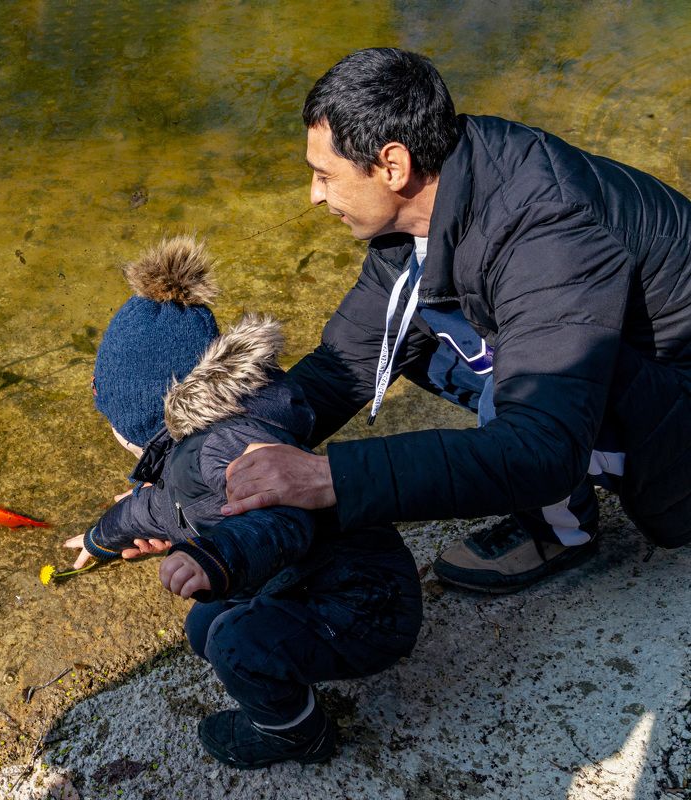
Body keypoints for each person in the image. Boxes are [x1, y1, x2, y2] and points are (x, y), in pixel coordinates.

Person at [221, 47, 691, 594]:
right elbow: (346, 362)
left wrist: (331, 478)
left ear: (392, 166)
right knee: (415, 334)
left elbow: (541, 450)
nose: (315, 195)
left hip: (677, 409)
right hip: (622, 366)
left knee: (512, 402)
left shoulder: (550, 233)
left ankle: (562, 535)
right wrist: (195, 470)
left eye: (324, 175)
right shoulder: (442, 194)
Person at [64, 235, 422, 768]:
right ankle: (285, 672)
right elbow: (150, 510)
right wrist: (100, 539)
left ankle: (297, 736)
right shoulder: (193, 449)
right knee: (202, 628)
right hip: (306, 580)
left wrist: (214, 557)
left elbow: (283, 521)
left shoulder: (227, 447)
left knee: (234, 642)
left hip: (366, 605)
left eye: (114, 422)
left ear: (151, 415)